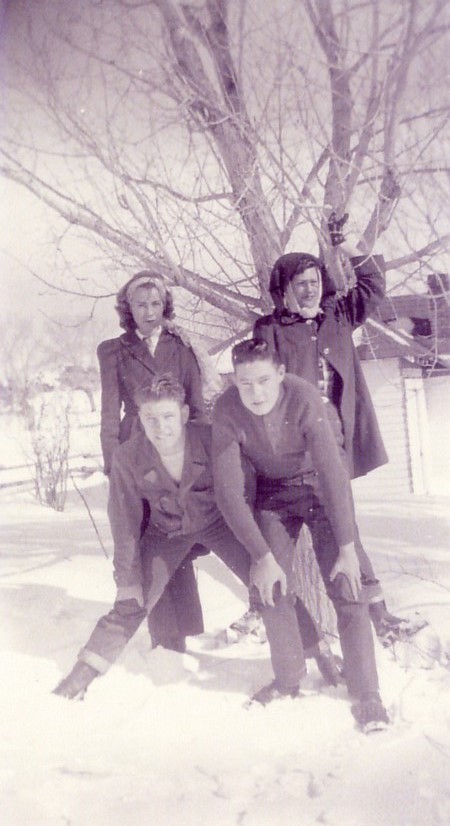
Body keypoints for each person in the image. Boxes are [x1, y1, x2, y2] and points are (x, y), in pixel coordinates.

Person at [52, 376, 324, 707]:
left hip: (221, 523)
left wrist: (258, 549)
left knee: (270, 584)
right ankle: (80, 677)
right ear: (140, 419)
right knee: (132, 600)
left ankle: (312, 656)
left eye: (167, 416)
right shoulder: (128, 456)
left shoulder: (211, 439)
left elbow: (245, 490)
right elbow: (123, 522)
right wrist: (127, 578)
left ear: (183, 414)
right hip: (166, 532)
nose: (160, 427)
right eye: (150, 418)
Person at [212, 339, 389, 732]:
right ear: (234, 382)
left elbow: (332, 472)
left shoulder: (304, 396)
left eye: (263, 381)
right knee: (271, 589)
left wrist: (347, 547)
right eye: (245, 384)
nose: (255, 393)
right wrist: (262, 556)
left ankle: (366, 692)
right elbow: (227, 492)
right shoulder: (226, 410)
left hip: (320, 489)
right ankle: (288, 680)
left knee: (348, 585)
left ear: (279, 374)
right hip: (274, 494)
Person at [250, 222, 404, 644]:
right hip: (291, 449)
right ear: (284, 290)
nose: (310, 290)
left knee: (344, 528)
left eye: (315, 282)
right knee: (289, 536)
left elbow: (372, 284)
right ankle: (270, 618)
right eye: (300, 284)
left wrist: (348, 243)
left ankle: (378, 614)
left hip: (333, 442)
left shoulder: (338, 315)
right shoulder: (269, 330)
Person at [96, 270, 207, 653]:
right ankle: (165, 637)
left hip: (178, 452)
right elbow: (110, 412)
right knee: (147, 540)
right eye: (140, 304)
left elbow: (198, 406)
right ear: (127, 309)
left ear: (165, 306)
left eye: (155, 303)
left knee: (177, 534)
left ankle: (185, 629)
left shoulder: (182, 346)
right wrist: (114, 466)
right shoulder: (113, 350)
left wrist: (200, 456)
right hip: (136, 452)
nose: (148, 311)